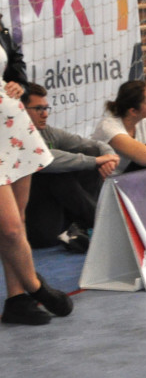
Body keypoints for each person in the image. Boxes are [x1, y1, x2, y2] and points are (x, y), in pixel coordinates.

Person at [0, 12, 73, 325]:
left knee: (20, 218)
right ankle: (36, 286)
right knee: (10, 227)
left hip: (10, 125)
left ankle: (17, 299)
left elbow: (13, 60)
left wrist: (17, 82)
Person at [22, 83, 118, 252]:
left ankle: (82, 226)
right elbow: (46, 158)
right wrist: (96, 161)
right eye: (38, 109)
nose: (45, 114)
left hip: (56, 212)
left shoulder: (48, 132)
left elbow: (95, 144)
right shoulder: (15, 138)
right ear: (21, 110)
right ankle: (103, 223)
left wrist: (110, 158)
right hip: (31, 223)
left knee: (91, 151)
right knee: (57, 172)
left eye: (46, 108)